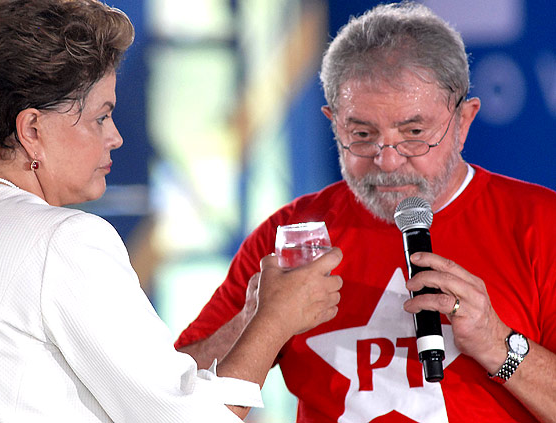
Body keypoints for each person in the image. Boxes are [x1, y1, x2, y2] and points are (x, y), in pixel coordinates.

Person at [0, 1, 344, 422]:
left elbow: (149, 387)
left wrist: (249, 319)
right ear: (32, 129)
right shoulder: (63, 242)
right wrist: (275, 321)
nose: (116, 137)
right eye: (101, 117)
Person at [175, 2, 556, 422]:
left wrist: (498, 344)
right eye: (361, 134)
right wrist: (257, 319)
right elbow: (171, 396)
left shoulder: (542, 224)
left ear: (463, 121)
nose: (387, 161)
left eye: (414, 133)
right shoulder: (291, 236)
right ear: (333, 123)